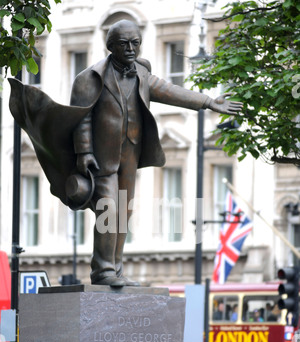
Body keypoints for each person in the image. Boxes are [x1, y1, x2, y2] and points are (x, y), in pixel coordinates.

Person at [9, 20, 243, 287]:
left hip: (130, 152)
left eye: (136, 42)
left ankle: (115, 268)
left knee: (125, 211)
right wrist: (84, 152)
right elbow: (81, 118)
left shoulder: (141, 75)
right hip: (101, 156)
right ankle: (102, 269)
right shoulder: (90, 78)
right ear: (111, 47)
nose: (131, 48)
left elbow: (170, 91)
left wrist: (209, 102)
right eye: (124, 43)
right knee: (108, 208)